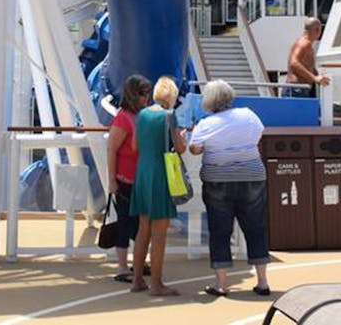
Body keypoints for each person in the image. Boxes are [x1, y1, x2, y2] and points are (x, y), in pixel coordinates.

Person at [187, 80, 271, 298]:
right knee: (256, 228)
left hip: (218, 179)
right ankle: (262, 282)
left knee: (220, 230)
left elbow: (194, 149)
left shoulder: (206, 124)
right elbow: (259, 135)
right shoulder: (249, 115)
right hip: (252, 176)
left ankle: (222, 284)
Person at [130, 75, 185, 296]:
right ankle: (156, 284)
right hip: (161, 173)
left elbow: (135, 146)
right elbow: (180, 148)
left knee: (143, 229)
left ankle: (136, 280)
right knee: (159, 233)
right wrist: (180, 137)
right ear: (171, 96)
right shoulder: (169, 116)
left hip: (142, 172)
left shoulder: (142, 115)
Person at [106, 74, 150, 282]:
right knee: (125, 223)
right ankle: (122, 267)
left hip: (141, 179)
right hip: (125, 179)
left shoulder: (142, 115)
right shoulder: (123, 118)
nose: (147, 97)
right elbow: (112, 149)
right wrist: (112, 180)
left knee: (140, 224)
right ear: (134, 94)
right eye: (143, 94)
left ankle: (138, 261)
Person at [286, 17, 330, 97]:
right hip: (297, 90)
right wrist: (314, 78)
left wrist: (318, 76)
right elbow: (294, 63)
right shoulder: (305, 44)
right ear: (317, 30)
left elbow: (308, 66)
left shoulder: (302, 42)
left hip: (298, 89)